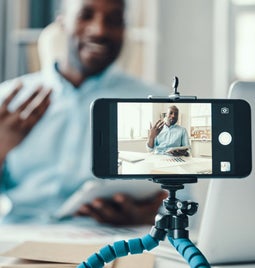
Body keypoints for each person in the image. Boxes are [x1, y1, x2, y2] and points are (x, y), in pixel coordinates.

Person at [0, 0, 168, 225]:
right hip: (17, 236)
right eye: (85, 15)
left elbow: (184, 207)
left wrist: (147, 216)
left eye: (114, 20)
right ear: (62, 23)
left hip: (111, 243)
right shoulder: (10, 99)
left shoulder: (156, 104)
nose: (100, 30)